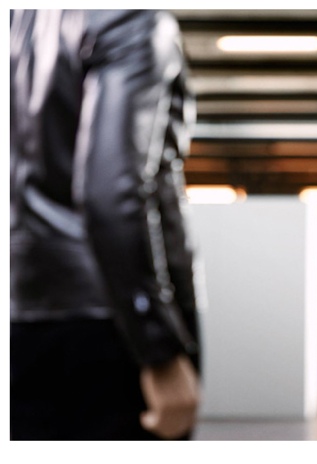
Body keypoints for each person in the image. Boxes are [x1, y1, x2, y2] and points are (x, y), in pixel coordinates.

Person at [10, 10, 201, 440]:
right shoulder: (130, 18)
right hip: (108, 324)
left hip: (20, 313)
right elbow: (110, 194)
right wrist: (158, 347)